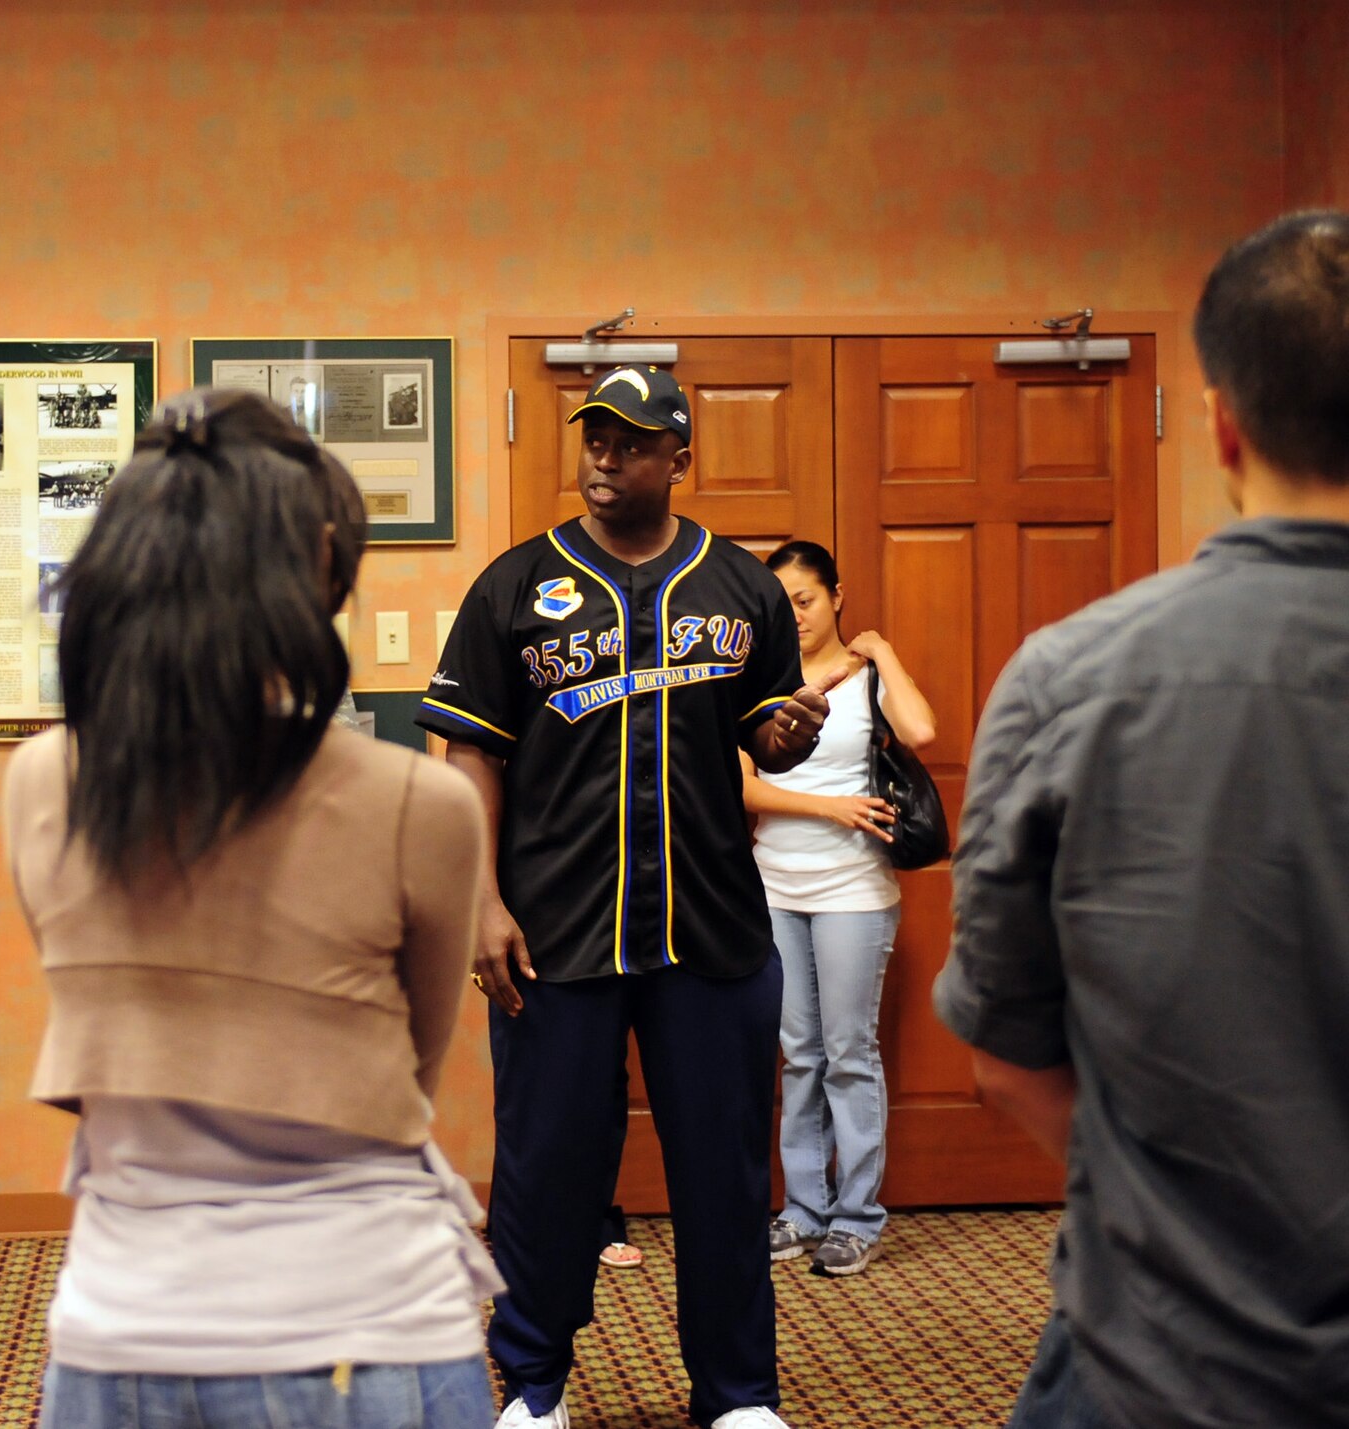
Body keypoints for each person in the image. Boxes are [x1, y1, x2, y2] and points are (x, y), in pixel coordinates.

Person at [4, 388, 502, 1429]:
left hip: (117, 1333)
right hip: (362, 1330)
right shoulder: (421, 802)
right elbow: (409, 1067)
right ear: (320, 567)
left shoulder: (42, 778)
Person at [933, 209, 1349, 1428]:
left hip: (1160, 1358)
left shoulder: (1070, 678)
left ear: (1218, 422)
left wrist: (1168, 1210)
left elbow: (1004, 1060)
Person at [419, 366, 841, 1429]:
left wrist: (786, 733)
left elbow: (761, 730)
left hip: (710, 928)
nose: (604, 458)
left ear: (677, 456)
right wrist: (477, 902)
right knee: (545, 1171)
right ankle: (535, 1385)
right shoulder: (513, 587)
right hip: (555, 930)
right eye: (593, 438)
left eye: (630, 441)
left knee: (723, 1172)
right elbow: (462, 755)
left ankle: (736, 1395)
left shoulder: (739, 586)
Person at [741, 540, 936, 1278]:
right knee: (798, 1054)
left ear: (836, 596)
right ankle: (802, 1210)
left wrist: (884, 652)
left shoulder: (864, 678)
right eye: (781, 601)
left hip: (855, 890)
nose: (794, 614)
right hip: (774, 885)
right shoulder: (755, 680)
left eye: (806, 598)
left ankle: (856, 1217)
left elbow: (920, 731)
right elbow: (745, 788)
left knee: (849, 1052)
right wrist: (829, 807)